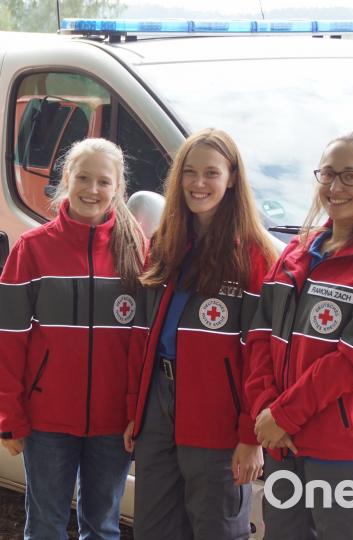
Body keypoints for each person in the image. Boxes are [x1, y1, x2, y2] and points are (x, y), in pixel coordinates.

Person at [246, 130, 353, 539]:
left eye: (351, 176)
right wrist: (265, 411)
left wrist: (283, 415)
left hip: (345, 454)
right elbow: (259, 337)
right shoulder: (296, 252)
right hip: (283, 443)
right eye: (327, 174)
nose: (335, 187)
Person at [0, 138, 147, 540]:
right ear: (66, 180)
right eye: (83, 178)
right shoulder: (32, 248)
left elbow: (143, 346)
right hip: (47, 421)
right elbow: (7, 338)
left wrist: (136, 411)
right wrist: (10, 413)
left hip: (114, 422)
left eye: (104, 181)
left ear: (117, 188)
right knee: (45, 527)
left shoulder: (138, 251)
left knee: (102, 527)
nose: (92, 190)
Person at [124, 128, 275, 539]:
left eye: (211, 173)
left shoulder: (254, 256)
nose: (198, 183)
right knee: (153, 528)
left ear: (232, 178)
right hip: (159, 404)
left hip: (218, 412)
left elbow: (260, 355)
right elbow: (143, 336)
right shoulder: (166, 242)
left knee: (216, 528)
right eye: (190, 172)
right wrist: (136, 409)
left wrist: (250, 435)